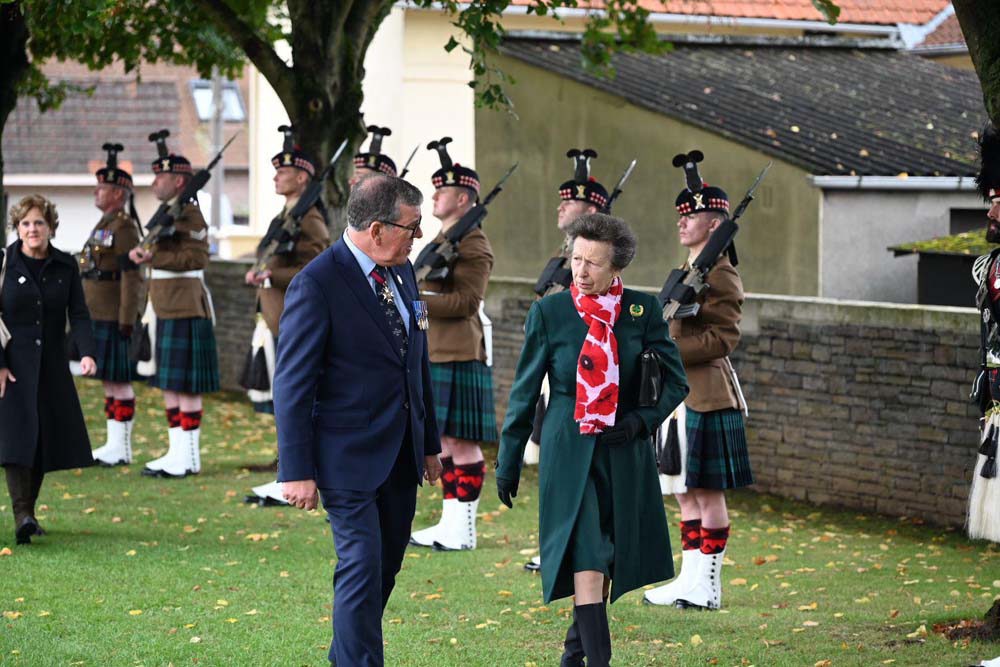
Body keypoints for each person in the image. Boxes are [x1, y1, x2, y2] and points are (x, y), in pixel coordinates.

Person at [496, 213, 688, 666]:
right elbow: (524, 392)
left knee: (606, 557)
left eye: (593, 264)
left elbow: (677, 383)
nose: (580, 271)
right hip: (569, 450)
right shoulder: (550, 312)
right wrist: (507, 461)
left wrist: (641, 421)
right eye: (576, 259)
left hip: (624, 453)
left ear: (616, 268)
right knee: (586, 555)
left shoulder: (642, 311)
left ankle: (572, 657)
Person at [275, 173, 442, 667]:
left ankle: (348, 654)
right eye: (413, 227)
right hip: (345, 456)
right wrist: (296, 470)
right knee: (362, 567)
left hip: (400, 453)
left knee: (384, 568)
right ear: (377, 228)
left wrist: (428, 443)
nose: (419, 237)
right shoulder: (317, 284)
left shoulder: (403, 271)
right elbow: (292, 384)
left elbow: (416, 363)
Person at [644, 153, 753, 610]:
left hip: (706, 395)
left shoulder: (722, 274)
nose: (682, 223)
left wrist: (664, 350)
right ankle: (688, 579)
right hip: (678, 397)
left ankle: (708, 586)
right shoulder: (689, 273)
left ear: (714, 224)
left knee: (707, 494)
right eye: (681, 215)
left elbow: (722, 338)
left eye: (692, 216)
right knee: (685, 493)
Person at [523, 148, 611, 572]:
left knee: (580, 470)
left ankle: (575, 547)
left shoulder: (597, 259)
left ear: (592, 208)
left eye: (570, 200)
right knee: (555, 467)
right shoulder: (563, 255)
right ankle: (558, 543)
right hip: (555, 367)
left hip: (586, 373)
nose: (561, 205)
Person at [409, 138, 496, 552]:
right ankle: (448, 521)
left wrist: (416, 303)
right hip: (434, 348)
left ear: (463, 198)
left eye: (441, 191)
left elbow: (466, 303)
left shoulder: (473, 243)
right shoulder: (438, 241)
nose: (434, 197)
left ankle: (463, 528)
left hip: (459, 349)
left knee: (461, 441)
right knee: (442, 440)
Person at [0, 195, 97, 544]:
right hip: (12, 365)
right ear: (17, 228)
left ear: (50, 227)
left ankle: (29, 511)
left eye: (38, 223)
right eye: (25, 223)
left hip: (52, 364)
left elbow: (80, 313)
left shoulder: (65, 264)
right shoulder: (4, 263)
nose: (32, 229)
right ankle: (21, 513)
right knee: (16, 437)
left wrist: (86, 352)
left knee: (42, 438)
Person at [243, 126, 330, 505]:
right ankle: (286, 469)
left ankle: (295, 473)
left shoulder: (309, 219)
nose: (277, 176)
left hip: (293, 318)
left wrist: (272, 275)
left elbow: (316, 269)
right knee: (283, 398)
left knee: (294, 398)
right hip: (276, 315)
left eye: (284, 172)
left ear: (302, 177)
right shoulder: (286, 215)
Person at [129, 129, 219, 478]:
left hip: (185, 306)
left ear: (180, 181)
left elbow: (196, 260)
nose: (155, 182)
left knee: (186, 384)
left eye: (161, 176)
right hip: (162, 306)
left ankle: (188, 456)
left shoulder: (191, 217)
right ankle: (175, 451)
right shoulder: (165, 215)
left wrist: (152, 258)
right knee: (168, 382)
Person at [83, 143, 145, 466]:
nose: (97, 192)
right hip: (100, 313)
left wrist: (127, 318)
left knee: (119, 381)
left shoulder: (124, 227)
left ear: (119, 194)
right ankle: (112, 443)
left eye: (103, 188)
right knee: (109, 381)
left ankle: (122, 447)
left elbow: (132, 275)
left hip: (114, 314)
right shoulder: (104, 225)